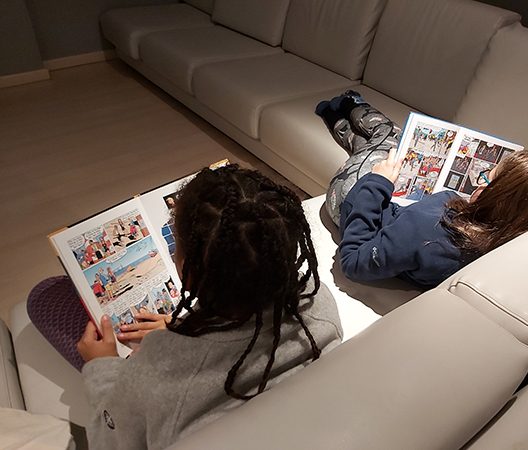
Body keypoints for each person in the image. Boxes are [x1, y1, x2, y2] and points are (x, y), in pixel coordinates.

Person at [73, 164, 342, 449]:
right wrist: (188, 327)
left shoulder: (156, 372)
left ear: (188, 273)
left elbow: (107, 442)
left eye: (175, 246)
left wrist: (101, 366)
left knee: (46, 302)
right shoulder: (316, 304)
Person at [316, 91, 528, 288]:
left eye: (487, 180)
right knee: (383, 144)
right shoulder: (499, 246)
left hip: (351, 201)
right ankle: (341, 117)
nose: (479, 182)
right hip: (395, 220)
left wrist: (378, 183)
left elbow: (353, 261)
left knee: (388, 137)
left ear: (500, 200)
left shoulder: (429, 224)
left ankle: (347, 106)